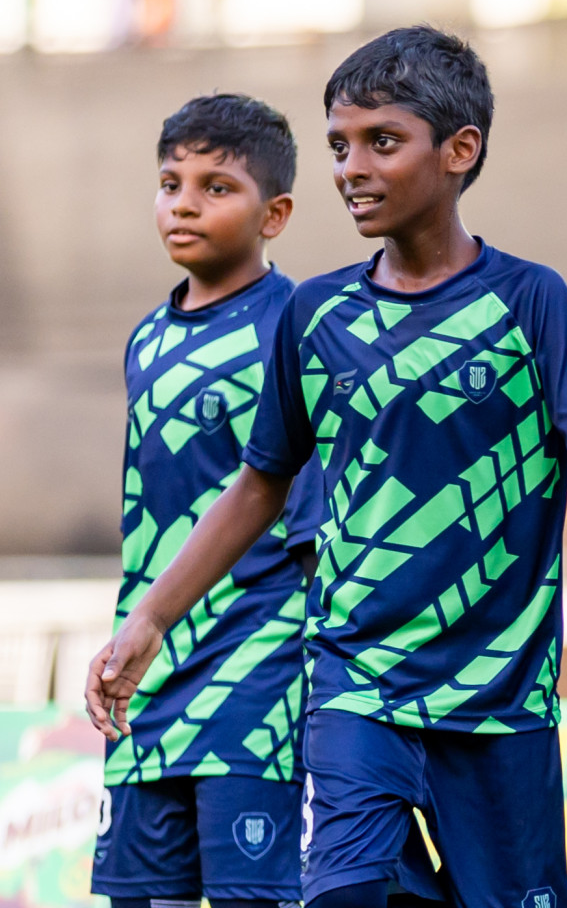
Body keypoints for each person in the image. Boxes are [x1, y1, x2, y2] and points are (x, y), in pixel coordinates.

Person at [85, 26, 567, 908]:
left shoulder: (528, 300)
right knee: (342, 895)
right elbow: (261, 483)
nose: (352, 166)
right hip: (355, 680)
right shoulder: (315, 315)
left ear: (460, 152)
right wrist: (151, 617)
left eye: (382, 142)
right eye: (340, 145)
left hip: (497, 697)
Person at [90, 93, 323, 908]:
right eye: (170, 181)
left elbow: (308, 528)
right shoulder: (147, 336)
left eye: (216, 186)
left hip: (257, 683)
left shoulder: (298, 327)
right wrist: (133, 632)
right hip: (148, 685)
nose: (184, 201)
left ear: (276, 213)